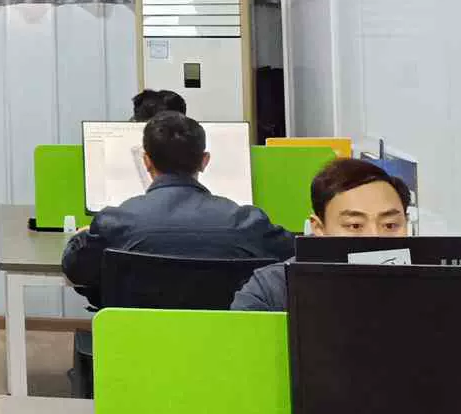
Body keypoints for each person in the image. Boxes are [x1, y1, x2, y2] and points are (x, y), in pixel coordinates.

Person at [61, 111, 295, 304]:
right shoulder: (248, 223)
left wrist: (81, 238)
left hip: (138, 340)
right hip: (228, 341)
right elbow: (295, 255)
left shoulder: (115, 223)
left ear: (146, 161)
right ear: (204, 161)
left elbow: (75, 270)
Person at [231, 158, 413, 312]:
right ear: (319, 227)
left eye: (390, 225)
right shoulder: (272, 290)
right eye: (355, 226)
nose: (375, 237)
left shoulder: (428, 281)